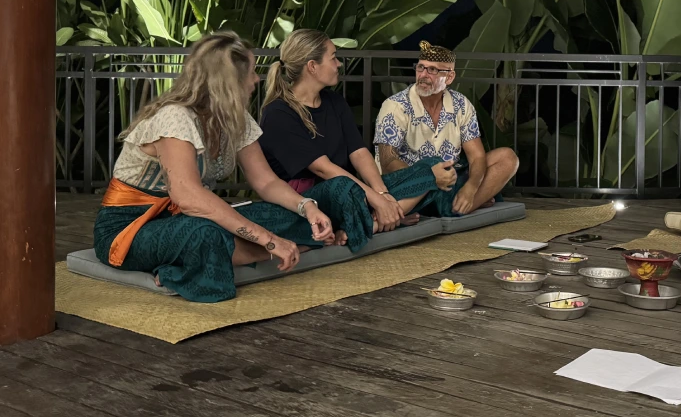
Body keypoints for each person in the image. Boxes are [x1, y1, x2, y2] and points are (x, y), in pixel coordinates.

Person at [93, 32, 343, 303]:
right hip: (132, 228)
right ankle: (287, 248)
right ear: (228, 81)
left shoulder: (236, 118)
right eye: (250, 72)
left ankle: (213, 258)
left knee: (283, 214)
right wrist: (269, 240)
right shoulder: (174, 117)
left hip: (193, 218)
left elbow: (266, 182)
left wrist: (306, 207)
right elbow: (188, 197)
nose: (256, 80)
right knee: (205, 235)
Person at [259, 29, 453, 235]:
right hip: (310, 201)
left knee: (431, 166)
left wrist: (382, 195)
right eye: (333, 58)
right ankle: (378, 221)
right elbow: (323, 169)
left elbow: (359, 152)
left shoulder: (334, 102)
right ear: (312, 66)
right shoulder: (278, 113)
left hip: (354, 192)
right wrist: (376, 199)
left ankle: (380, 219)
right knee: (343, 188)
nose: (339, 64)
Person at [374, 41, 519, 216]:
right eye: (420, 68)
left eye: (432, 70)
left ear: (449, 77)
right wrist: (428, 176)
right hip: (409, 187)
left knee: (507, 157)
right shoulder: (395, 106)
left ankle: (461, 202)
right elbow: (388, 161)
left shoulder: (462, 105)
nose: (423, 75)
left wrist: (471, 188)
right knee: (432, 162)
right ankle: (462, 206)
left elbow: (477, 156)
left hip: (449, 180)